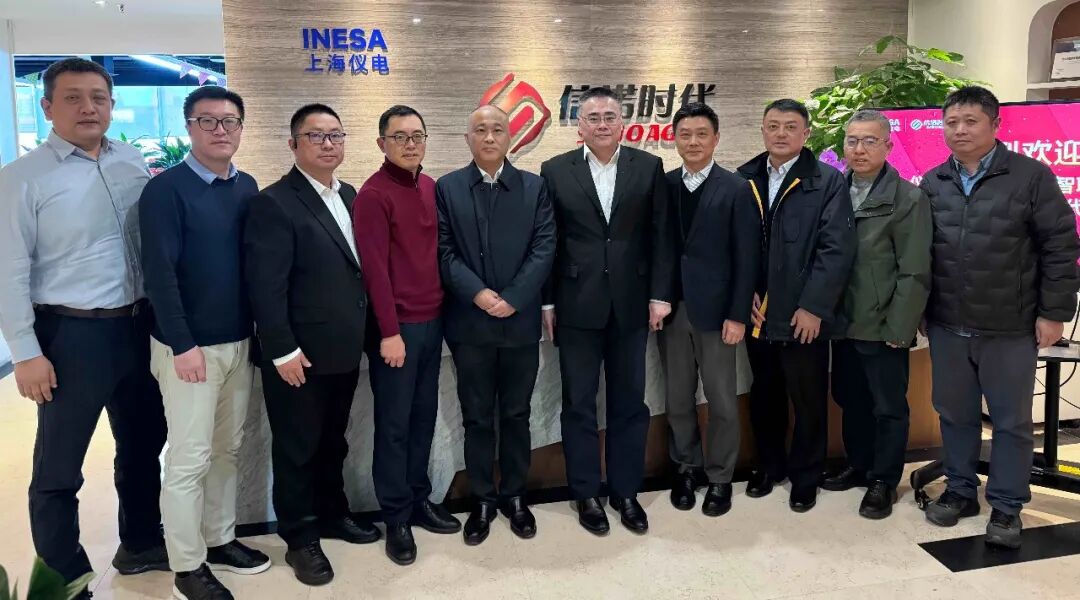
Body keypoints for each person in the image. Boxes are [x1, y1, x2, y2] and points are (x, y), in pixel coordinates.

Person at [0, 57, 168, 597]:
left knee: (143, 445)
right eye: (73, 97)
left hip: (138, 327)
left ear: (112, 105)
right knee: (59, 468)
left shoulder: (131, 161)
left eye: (98, 97)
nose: (88, 107)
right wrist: (25, 352)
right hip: (71, 336)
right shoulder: (21, 178)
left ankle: (140, 542)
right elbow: (8, 270)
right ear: (47, 107)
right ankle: (65, 580)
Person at [920, 86, 1079, 548]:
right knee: (954, 414)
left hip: (1010, 325)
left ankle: (1007, 507)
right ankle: (959, 489)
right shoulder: (933, 181)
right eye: (952, 122)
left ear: (994, 125)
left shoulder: (1030, 176)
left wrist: (1054, 312)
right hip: (947, 322)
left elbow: (1060, 246)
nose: (960, 130)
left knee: (1010, 422)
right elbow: (920, 253)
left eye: (970, 121)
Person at [245, 104, 379, 586]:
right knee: (297, 448)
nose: (327, 143)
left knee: (332, 441)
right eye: (315, 135)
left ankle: (332, 513)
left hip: (342, 347)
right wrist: (281, 349)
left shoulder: (349, 194)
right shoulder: (274, 202)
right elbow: (265, 286)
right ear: (293, 144)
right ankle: (300, 538)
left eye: (335, 135)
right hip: (297, 354)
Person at [539, 87, 675, 535]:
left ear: (623, 124)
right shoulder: (555, 170)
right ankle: (585, 493)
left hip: (632, 305)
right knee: (578, 404)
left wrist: (660, 295)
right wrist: (548, 301)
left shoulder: (648, 166)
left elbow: (660, 235)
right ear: (579, 125)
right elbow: (549, 241)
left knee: (629, 403)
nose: (601, 124)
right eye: (592, 117)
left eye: (609, 117)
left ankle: (625, 491)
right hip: (576, 305)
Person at [436, 105, 556, 545]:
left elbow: (545, 246)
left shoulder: (534, 187)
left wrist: (514, 298)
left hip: (519, 323)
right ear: (467, 138)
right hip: (470, 324)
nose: (489, 137)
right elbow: (443, 250)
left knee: (517, 414)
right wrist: (480, 295)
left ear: (510, 137)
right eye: (480, 130)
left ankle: (515, 496)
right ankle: (483, 499)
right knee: (477, 417)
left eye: (497, 130)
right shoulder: (447, 187)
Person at [736, 98, 856, 512]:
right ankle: (769, 467)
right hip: (759, 315)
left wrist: (814, 307)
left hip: (803, 315)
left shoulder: (826, 181)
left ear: (806, 133)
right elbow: (738, 246)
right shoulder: (745, 178)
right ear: (763, 130)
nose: (781, 133)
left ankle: (806, 476)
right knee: (764, 395)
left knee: (807, 399)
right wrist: (744, 295)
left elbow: (836, 249)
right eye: (773, 126)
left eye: (790, 126)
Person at [354, 105, 461, 565]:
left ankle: (419, 500)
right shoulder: (373, 194)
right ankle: (395, 516)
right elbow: (374, 271)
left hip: (433, 322)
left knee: (422, 419)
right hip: (397, 331)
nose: (410, 143)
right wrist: (389, 332)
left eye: (417, 135)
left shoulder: (430, 186)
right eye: (399, 136)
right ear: (382, 143)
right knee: (394, 427)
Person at [822, 109, 931, 520]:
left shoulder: (908, 199)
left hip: (883, 325)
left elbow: (914, 271)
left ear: (887, 146)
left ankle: (884, 479)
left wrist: (901, 328)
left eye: (870, 141)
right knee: (850, 399)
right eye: (852, 140)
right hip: (842, 323)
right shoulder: (834, 190)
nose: (859, 149)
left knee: (888, 406)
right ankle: (859, 464)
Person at [660, 102, 759, 518]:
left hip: (719, 315)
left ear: (716, 139)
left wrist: (737, 314)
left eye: (702, 134)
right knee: (677, 398)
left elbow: (747, 258)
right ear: (674, 139)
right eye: (685, 134)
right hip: (672, 311)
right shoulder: (664, 185)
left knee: (720, 400)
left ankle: (720, 477)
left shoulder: (735, 188)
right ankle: (686, 468)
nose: (693, 141)